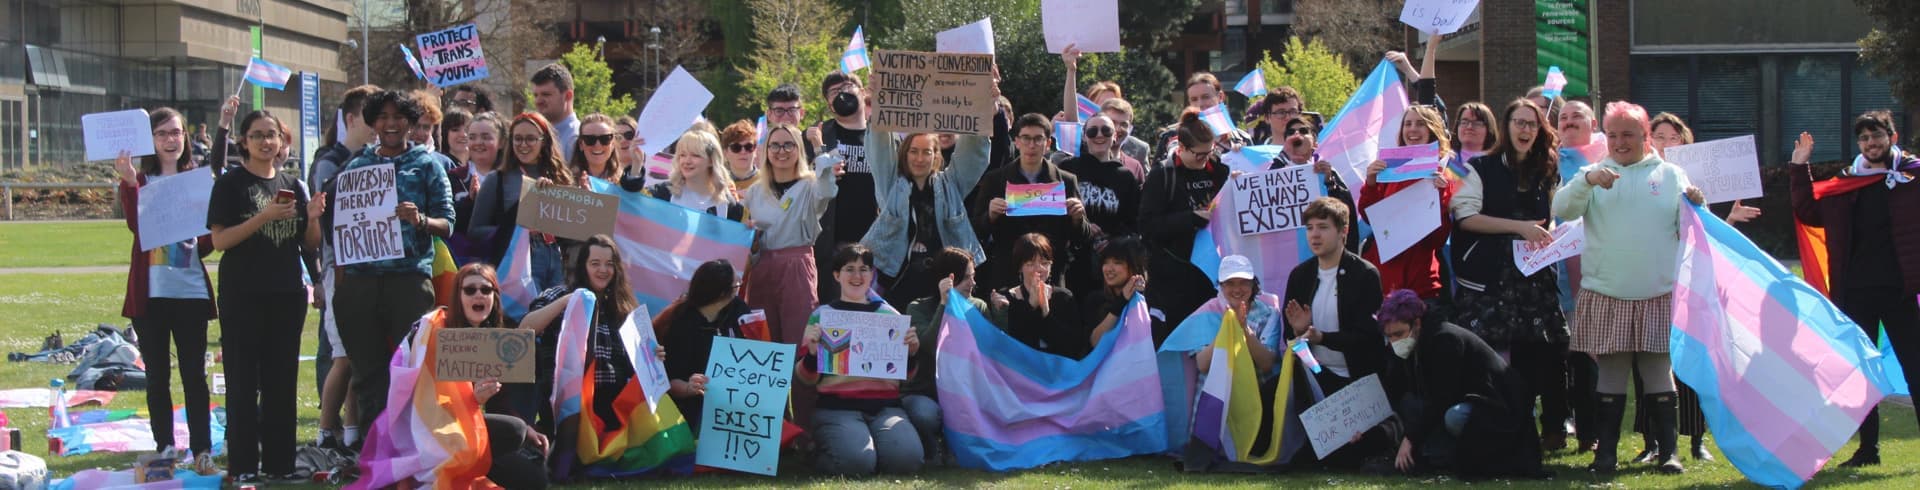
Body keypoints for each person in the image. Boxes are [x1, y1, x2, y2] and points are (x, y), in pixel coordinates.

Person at [1552, 101, 1706, 475]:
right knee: (1612, 373)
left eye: (1629, 135)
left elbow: (1693, 225)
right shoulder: (1592, 173)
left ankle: (1668, 452)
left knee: (1658, 370)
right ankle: (1606, 453)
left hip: (1657, 291)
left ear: (1645, 137)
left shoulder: (1670, 174)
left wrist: (1699, 204)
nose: (1621, 142)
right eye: (1615, 134)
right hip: (1606, 291)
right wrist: (1587, 181)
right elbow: (1561, 207)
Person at [1789, 110, 1920, 468]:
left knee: (1916, 368)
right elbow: (1808, 212)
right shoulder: (1847, 182)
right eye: (1864, 138)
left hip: (1901, 291)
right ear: (1858, 144)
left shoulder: (1911, 176)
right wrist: (1800, 168)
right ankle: (1868, 451)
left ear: (1892, 137)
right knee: (1860, 375)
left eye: (1877, 135)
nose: (1871, 143)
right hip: (1855, 291)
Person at [328, 89, 457, 447]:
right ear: (371, 122)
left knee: (411, 371)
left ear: (410, 122)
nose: (390, 124)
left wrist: (422, 221)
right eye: (382, 117)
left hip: (408, 282)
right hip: (360, 285)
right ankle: (374, 452)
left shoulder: (427, 165)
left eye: (398, 117)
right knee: (368, 373)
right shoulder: (354, 168)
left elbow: (448, 223)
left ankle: (412, 448)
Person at [206, 109, 326, 484]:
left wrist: (314, 217)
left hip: (286, 295)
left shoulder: (293, 183)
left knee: (281, 382)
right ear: (244, 141)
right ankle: (242, 464)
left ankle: (280, 465)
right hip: (243, 294)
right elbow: (220, 240)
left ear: (280, 140)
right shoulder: (231, 184)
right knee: (243, 382)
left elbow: (308, 243)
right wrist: (265, 216)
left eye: (271, 135)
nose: (265, 142)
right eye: (257, 135)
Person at [1447, 98, 1572, 453]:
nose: (1525, 129)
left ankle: (1551, 429)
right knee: (1493, 357)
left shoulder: (1548, 170)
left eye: (1532, 124)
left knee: (1548, 354)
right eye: (1519, 122)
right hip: (1490, 279)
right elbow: (1465, 217)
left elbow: (1552, 217)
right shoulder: (1478, 167)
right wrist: (1518, 228)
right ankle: (1495, 428)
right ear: (1506, 127)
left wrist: (1551, 236)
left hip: (1534, 279)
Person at [114, 107, 218, 474]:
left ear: (185, 138)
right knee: (157, 375)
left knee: (194, 375)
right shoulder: (141, 181)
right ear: (151, 141)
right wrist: (128, 181)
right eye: (162, 134)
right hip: (150, 295)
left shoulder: (197, 180)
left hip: (190, 292)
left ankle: (202, 449)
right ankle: (166, 446)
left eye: (176, 133)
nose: (171, 139)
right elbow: (134, 226)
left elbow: (208, 242)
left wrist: (194, 235)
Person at [1377, 289, 1543, 479]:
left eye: (1398, 334)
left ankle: (1454, 456)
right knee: (1412, 405)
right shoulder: (1414, 344)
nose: (1394, 342)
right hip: (1467, 400)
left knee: (1454, 417)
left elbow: (1441, 398)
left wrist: (1410, 439)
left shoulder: (1445, 340)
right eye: (1389, 337)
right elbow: (1395, 390)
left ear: (1417, 323)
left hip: (1500, 406)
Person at [1281, 197, 1393, 468]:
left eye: (1323, 227)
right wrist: (1299, 335)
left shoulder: (1365, 274)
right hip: (1317, 377)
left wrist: (1323, 338)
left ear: (1343, 231)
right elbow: (1290, 338)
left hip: (1357, 380)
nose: (1314, 235)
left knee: (1352, 456)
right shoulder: (1300, 275)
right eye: (1309, 228)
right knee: (1308, 462)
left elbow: (1368, 337)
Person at [797, 244, 925, 475]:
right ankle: (822, 453)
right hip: (837, 408)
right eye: (849, 269)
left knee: (908, 461)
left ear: (871, 274)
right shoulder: (822, 317)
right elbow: (805, 379)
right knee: (857, 465)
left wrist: (911, 354)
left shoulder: (890, 316)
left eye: (864, 269)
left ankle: (869, 448)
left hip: (885, 408)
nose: (857, 276)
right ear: (837, 275)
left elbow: (906, 376)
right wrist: (813, 354)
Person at [742, 123, 839, 425]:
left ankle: (806, 427)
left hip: (797, 264)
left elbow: (827, 189)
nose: (781, 151)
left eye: (788, 145)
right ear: (766, 151)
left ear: (798, 149)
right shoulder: (754, 192)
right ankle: (772, 427)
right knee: (764, 346)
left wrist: (820, 148)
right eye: (775, 145)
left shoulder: (811, 185)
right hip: (761, 269)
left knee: (801, 344)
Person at [518, 235, 652, 440]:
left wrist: (652, 354)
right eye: (595, 264)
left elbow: (635, 362)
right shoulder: (560, 294)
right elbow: (525, 329)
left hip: (611, 400)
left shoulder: (623, 307)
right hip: (568, 401)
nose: (603, 270)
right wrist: (567, 302)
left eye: (609, 264)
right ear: (583, 266)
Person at [306, 84, 378, 451]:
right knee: (341, 353)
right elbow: (329, 206)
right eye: (371, 117)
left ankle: (352, 429)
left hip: (371, 267)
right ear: (350, 119)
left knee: (360, 354)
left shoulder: (380, 156)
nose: (378, 126)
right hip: (339, 269)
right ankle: (326, 428)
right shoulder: (329, 160)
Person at [864, 122, 992, 307]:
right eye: (914, 151)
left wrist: (982, 112)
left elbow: (972, 155)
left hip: (945, 278)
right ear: (904, 154)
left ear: (936, 156)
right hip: (897, 279)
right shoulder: (891, 183)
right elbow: (879, 149)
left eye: (926, 152)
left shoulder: (950, 184)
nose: (919, 158)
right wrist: (878, 111)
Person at [900, 247, 1001, 463]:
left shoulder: (977, 307)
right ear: (946, 280)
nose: (973, 284)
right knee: (925, 415)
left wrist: (1002, 315)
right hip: (925, 392)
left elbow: (993, 351)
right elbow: (928, 345)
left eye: (973, 277)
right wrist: (945, 304)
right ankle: (932, 447)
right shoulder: (917, 308)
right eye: (966, 278)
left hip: (966, 394)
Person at [972, 113, 1093, 292]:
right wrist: (989, 216)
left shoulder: (1066, 181)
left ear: (1048, 144)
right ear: (1016, 142)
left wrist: (1077, 218)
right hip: (1007, 275)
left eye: (1038, 139)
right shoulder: (994, 180)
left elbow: (1083, 237)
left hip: (1051, 274)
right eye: (1026, 138)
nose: (1031, 145)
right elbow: (976, 231)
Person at [1139, 108, 1232, 334]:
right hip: (1173, 275)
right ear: (1181, 148)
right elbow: (1147, 225)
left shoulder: (1219, 170)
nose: (1204, 160)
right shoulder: (1164, 174)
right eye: (1198, 155)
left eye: (1208, 153)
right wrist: (1190, 219)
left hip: (1211, 273)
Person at [1359, 106, 1455, 300]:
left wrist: (1439, 196)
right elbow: (1370, 218)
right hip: (1383, 273)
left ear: (1432, 131)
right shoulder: (1388, 170)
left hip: (1419, 278)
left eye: (1421, 124)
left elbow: (1437, 239)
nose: (1412, 129)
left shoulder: (1441, 174)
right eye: (1407, 124)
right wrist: (1370, 183)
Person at [469, 113, 574, 289]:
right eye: (518, 139)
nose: (523, 145)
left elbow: (573, 230)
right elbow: (475, 231)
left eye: (530, 139)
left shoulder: (561, 179)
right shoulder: (498, 179)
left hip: (558, 261)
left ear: (544, 141)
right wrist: (520, 230)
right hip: (517, 264)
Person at [657, 259, 756, 428]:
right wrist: (689, 388)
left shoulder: (738, 310)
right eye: (736, 284)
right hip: (693, 413)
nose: (739, 285)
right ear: (721, 294)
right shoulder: (681, 325)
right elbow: (669, 380)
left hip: (736, 406)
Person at [816, 71, 878, 304]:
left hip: (876, 245)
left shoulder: (884, 136)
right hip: (831, 245)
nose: (842, 93)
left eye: (849, 86)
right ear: (829, 104)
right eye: (834, 92)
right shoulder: (816, 137)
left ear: (863, 93)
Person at [1269, 115, 1363, 253]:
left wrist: (1329, 182)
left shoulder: (1326, 172)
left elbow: (1345, 214)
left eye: (1303, 131)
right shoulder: (1273, 171)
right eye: (1290, 132)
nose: (1296, 134)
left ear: (1315, 143)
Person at [987, 233, 1088, 359]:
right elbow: (1009, 345)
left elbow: (1074, 345)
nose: (1038, 269)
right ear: (1020, 267)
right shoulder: (1006, 298)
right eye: (1030, 264)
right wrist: (1030, 307)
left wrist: (1046, 313)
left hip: (1057, 372)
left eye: (1045, 263)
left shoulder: (1064, 297)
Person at [1651, 112, 1760, 224]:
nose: (1666, 144)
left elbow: (1704, 233)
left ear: (1682, 141)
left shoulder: (1694, 181)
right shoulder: (1640, 174)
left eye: (1674, 138)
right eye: (1660, 137)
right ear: (1650, 139)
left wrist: (1731, 219)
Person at [1192, 255, 1283, 375]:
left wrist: (1244, 328)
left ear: (1252, 284)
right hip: (1213, 392)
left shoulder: (1269, 314)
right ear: (1221, 285)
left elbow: (1267, 364)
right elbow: (1203, 365)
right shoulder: (1207, 312)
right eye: (1230, 283)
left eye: (1243, 282)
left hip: (1254, 391)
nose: (1237, 289)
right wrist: (1227, 328)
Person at [634, 130, 744, 221]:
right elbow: (633, 202)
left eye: (695, 155)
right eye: (682, 155)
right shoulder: (665, 193)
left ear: (711, 161)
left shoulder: (727, 204)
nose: (687, 161)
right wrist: (636, 166)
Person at [1156, 72, 1251, 159]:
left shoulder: (1242, 138)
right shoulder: (1172, 136)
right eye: (1194, 99)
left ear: (1220, 97)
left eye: (1205, 97)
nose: (1200, 104)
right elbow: (1158, 175)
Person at [1082, 236, 1151, 344]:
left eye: (1117, 262)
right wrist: (1121, 301)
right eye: (1106, 262)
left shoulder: (1153, 300)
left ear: (1135, 266)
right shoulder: (1096, 300)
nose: (1109, 269)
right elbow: (1095, 342)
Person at [531, 63, 580, 153]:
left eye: (546, 94)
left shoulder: (576, 140)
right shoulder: (535, 135)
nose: (538, 101)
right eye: (535, 95)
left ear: (568, 96)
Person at [569, 113, 624, 183]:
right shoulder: (566, 182)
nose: (598, 145)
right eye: (590, 139)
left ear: (613, 144)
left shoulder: (624, 183)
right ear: (581, 144)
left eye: (605, 139)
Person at [1101, 99, 1153, 171]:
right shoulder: (1082, 149)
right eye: (1112, 122)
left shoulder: (1140, 152)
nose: (1118, 129)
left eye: (1124, 124)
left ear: (1130, 127)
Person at [719, 120, 761, 191]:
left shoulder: (767, 181)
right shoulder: (718, 184)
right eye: (736, 147)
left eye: (748, 147)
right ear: (725, 152)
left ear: (755, 151)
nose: (743, 152)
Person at [441, 107, 473, 176]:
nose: (463, 134)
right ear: (445, 134)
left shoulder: (479, 168)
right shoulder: (441, 167)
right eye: (455, 129)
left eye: (467, 129)